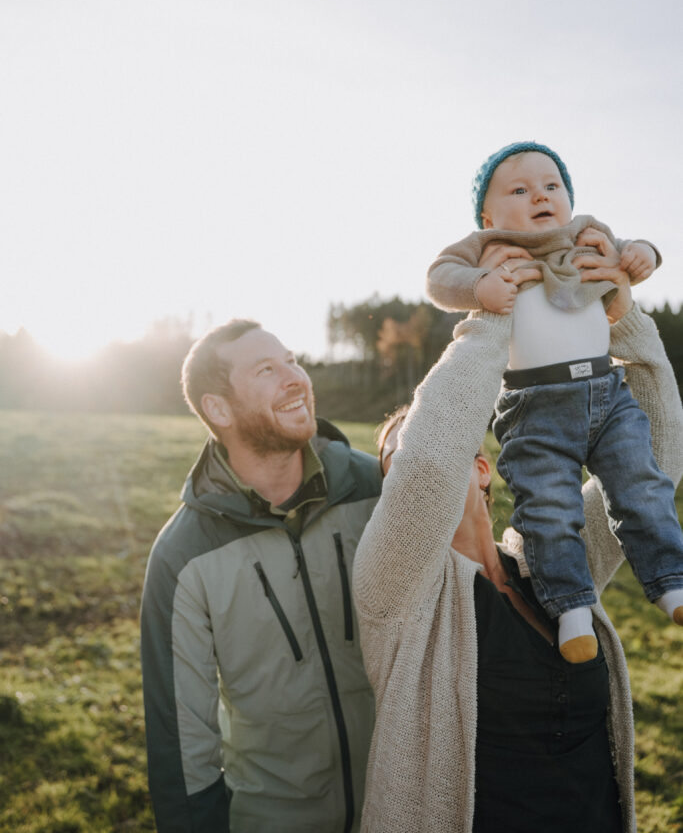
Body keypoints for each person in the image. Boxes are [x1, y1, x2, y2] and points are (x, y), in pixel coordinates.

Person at [353, 265, 683, 833]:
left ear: (483, 468)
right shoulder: (394, 591)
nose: (409, 464)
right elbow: (429, 462)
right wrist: (496, 312)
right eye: (394, 460)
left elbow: (654, 457)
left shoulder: (550, 555)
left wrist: (620, 319)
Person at [426, 141, 683, 660]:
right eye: (519, 189)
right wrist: (481, 285)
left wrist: (642, 255)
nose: (540, 196)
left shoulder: (587, 234)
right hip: (534, 405)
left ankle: (672, 582)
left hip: (606, 392)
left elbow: (640, 251)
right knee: (548, 509)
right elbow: (438, 278)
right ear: (488, 214)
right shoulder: (488, 248)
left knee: (642, 483)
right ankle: (571, 611)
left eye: (551, 186)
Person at [140, 319, 382, 833]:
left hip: (406, 802)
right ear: (219, 409)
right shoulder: (183, 557)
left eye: (293, 360)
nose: (296, 377)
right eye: (268, 370)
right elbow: (183, 743)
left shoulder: (375, 489)